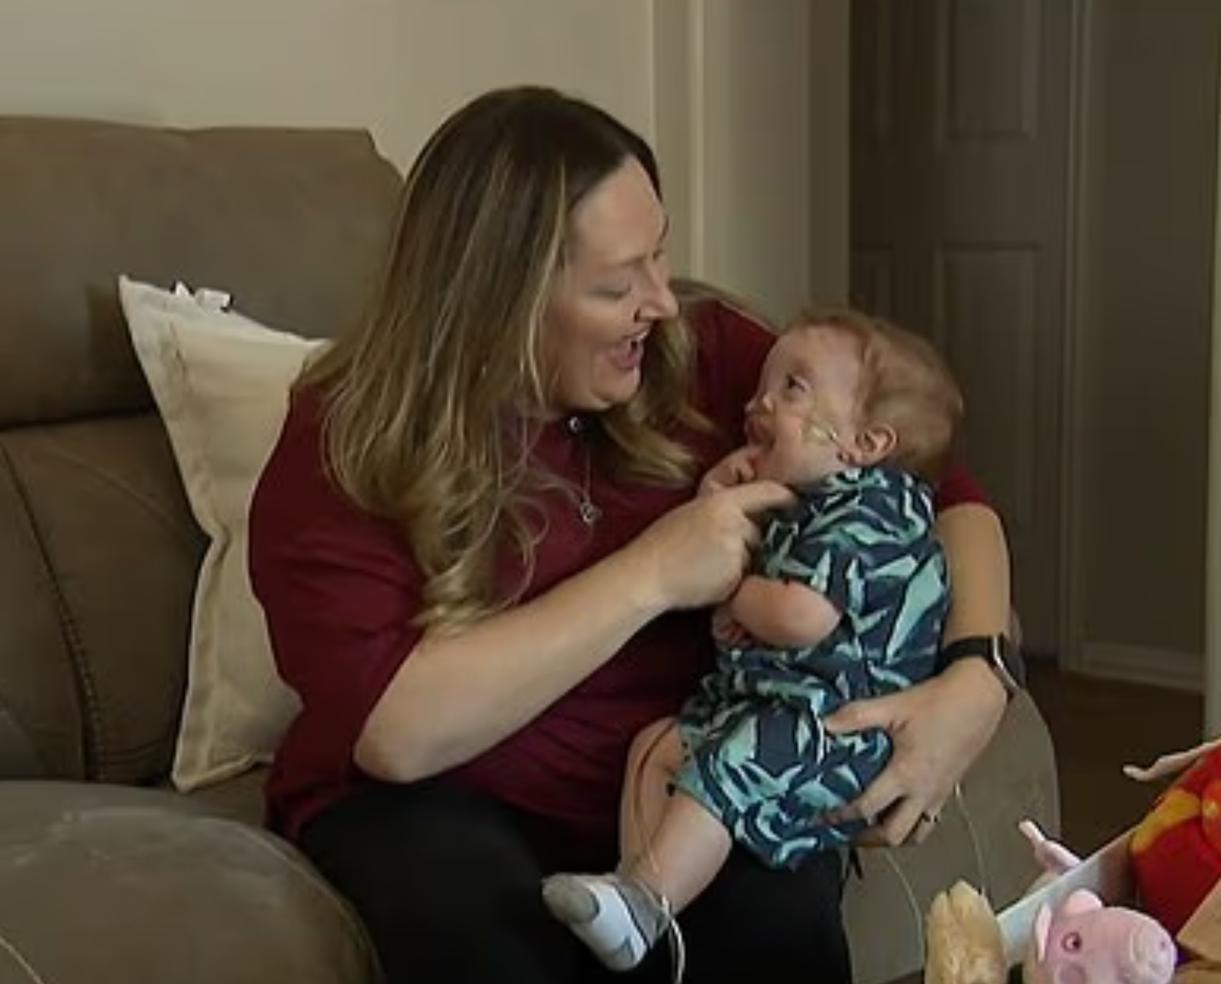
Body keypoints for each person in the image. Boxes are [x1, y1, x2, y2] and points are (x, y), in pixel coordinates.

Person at [248, 85, 1015, 984]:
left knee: (780, 918)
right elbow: (398, 732)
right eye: (618, 285)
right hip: (437, 796)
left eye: (659, 254)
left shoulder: (707, 357)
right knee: (485, 936)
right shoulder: (346, 440)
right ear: (501, 301)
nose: (662, 302)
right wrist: (654, 572)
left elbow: (942, 491)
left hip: (686, 763)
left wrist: (976, 678)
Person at [542, 309, 963, 977]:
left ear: (865, 443)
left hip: (837, 731)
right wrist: (714, 502)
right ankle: (637, 894)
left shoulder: (874, 508)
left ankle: (646, 900)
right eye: (762, 386)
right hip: (776, 706)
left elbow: (801, 616)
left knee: (722, 769)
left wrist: (728, 587)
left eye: (792, 388)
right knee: (654, 747)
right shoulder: (807, 502)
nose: (757, 404)